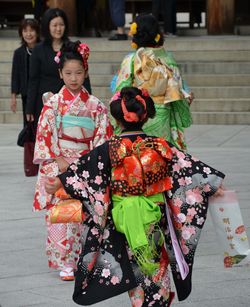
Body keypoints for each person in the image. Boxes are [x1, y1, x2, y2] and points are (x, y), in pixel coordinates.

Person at [45, 86, 225, 306]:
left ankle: (139, 302)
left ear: (118, 120)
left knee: (135, 268)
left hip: (124, 220)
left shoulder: (108, 149)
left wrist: (59, 184)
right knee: (156, 264)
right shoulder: (160, 146)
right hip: (153, 217)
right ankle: (158, 300)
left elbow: (82, 175)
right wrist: (213, 184)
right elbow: (188, 171)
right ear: (146, 116)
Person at [33, 40, 112, 281]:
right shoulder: (53, 104)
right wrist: (58, 159)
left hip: (86, 164)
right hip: (61, 162)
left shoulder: (96, 106)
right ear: (60, 73)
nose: (74, 78)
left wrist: (89, 163)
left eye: (78, 73)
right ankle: (65, 262)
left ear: (85, 72)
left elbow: (102, 138)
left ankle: (86, 258)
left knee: (88, 214)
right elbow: (45, 134)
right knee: (62, 215)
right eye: (68, 73)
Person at [111, 14, 193, 151]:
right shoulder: (168, 60)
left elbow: (119, 89)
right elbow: (180, 93)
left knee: (136, 157)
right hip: (162, 117)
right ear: (157, 34)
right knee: (159, 157)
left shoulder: (131, 60)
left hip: (137, 115)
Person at [25, 8, 92, 128]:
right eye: (54, 25)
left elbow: (83, 74)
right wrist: (29, 107)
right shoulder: (38, 49)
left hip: (70, 102)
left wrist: (88, 100)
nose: (58, 29)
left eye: (61, 24)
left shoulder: (73, 47)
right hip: (45, 101)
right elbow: (33, 79)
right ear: (47, 26)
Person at [11, 18, 40, 126]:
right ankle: (29, 143)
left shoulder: (43, 49)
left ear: (37, 32)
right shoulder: (18, 53)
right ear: (21, 33)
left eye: (32, 30)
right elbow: (15, 75)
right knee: (28, 125)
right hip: (26, 95)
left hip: (41, 92)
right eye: (25, 31)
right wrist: (13, 97)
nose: (28, 34)